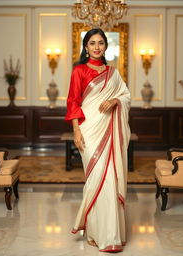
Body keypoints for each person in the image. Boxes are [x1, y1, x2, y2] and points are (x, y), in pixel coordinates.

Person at [65, 28, 131, 253]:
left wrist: (114, 100)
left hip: (109, 129)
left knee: (110, 178)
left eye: (100, 43)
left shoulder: (113, 72)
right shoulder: (79, 71)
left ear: (105, 46)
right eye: (92, 43)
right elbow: (73, 101)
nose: (96, 46)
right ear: (86, 47)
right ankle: (94, 231)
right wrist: (76, 131)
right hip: (89, 130)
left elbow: (126, 95)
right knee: (96, 177)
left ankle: (108, 234)